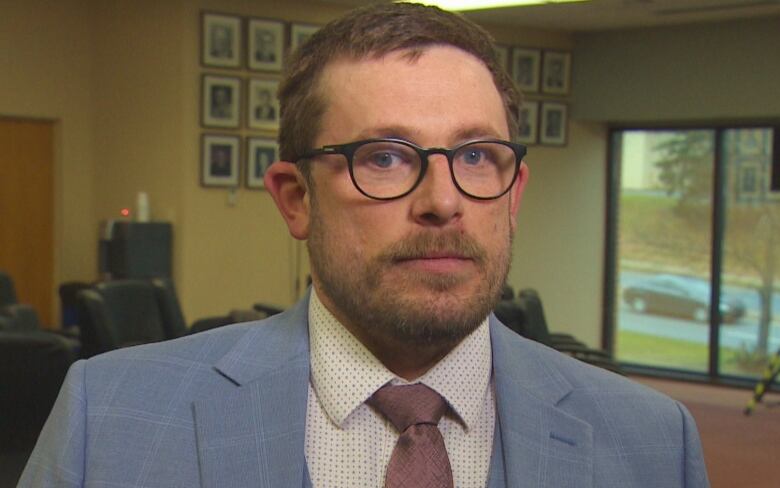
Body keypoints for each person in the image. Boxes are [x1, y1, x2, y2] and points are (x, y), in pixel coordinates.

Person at [20, 3, 709, 487]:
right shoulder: (108, 418)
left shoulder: (652, 442)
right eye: (384, 157)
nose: (443, 200)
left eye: (475, 157)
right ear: (295, 198)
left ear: (515, 193)